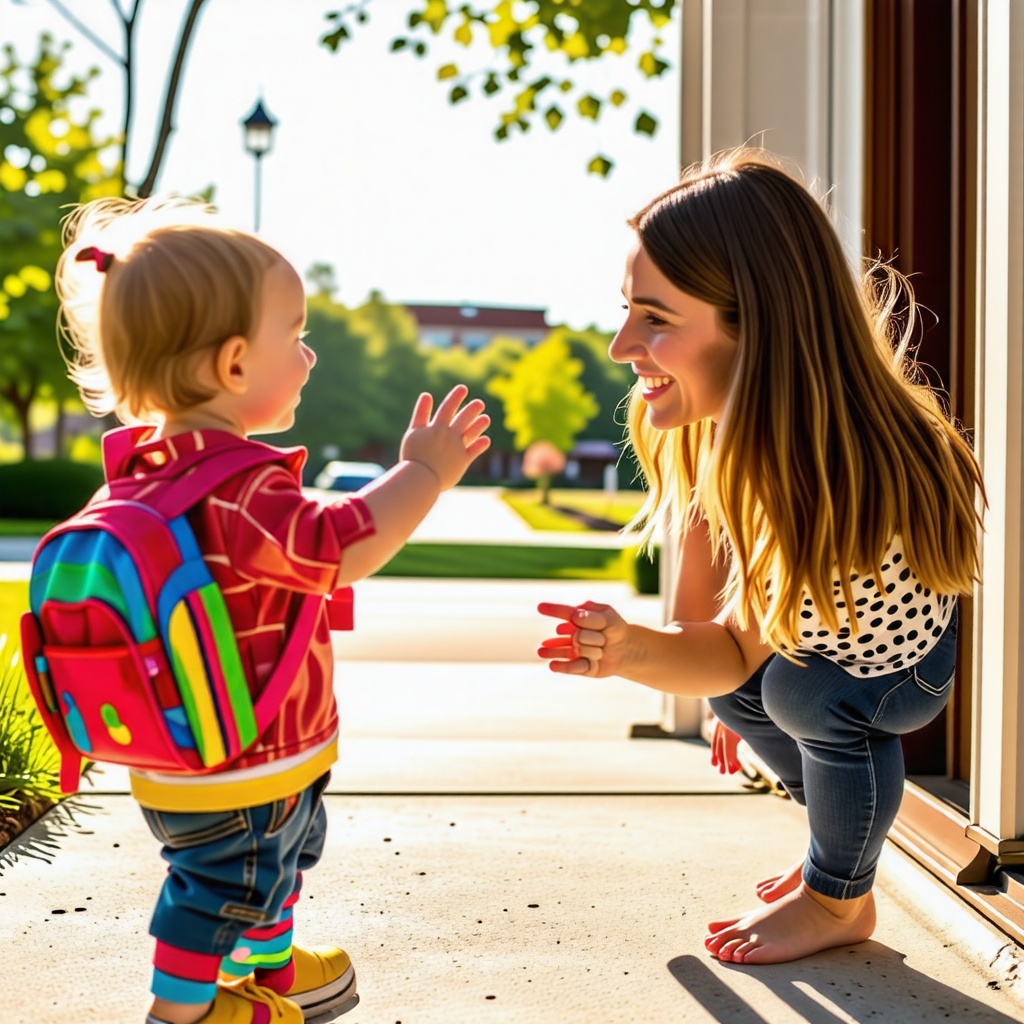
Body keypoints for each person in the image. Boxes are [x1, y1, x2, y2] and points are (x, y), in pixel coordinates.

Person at [537, 148, 985, 966]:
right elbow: (711, 637)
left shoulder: (825, 465)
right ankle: (839, 849)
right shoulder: (716, 437)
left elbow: (743, 647)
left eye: (655, 318)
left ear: (754, 322)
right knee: (745, 691)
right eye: (627, 310)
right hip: (818, 638)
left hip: (903, 668)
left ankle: (838, 897)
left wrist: (645, 655)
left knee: (800, 695)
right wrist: (644, 652)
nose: (620, 344)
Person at [55, 195, 490, 1024]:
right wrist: (424, 473)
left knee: (273, 865)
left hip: (181, 752)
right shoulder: (241, 488)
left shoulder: (137, 475)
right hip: (247, 761)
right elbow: (345, 544)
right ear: (232, 366)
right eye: (295, 335)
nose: (311, 355)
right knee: (225, 885)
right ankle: (183, 1013)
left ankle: (273, 972)